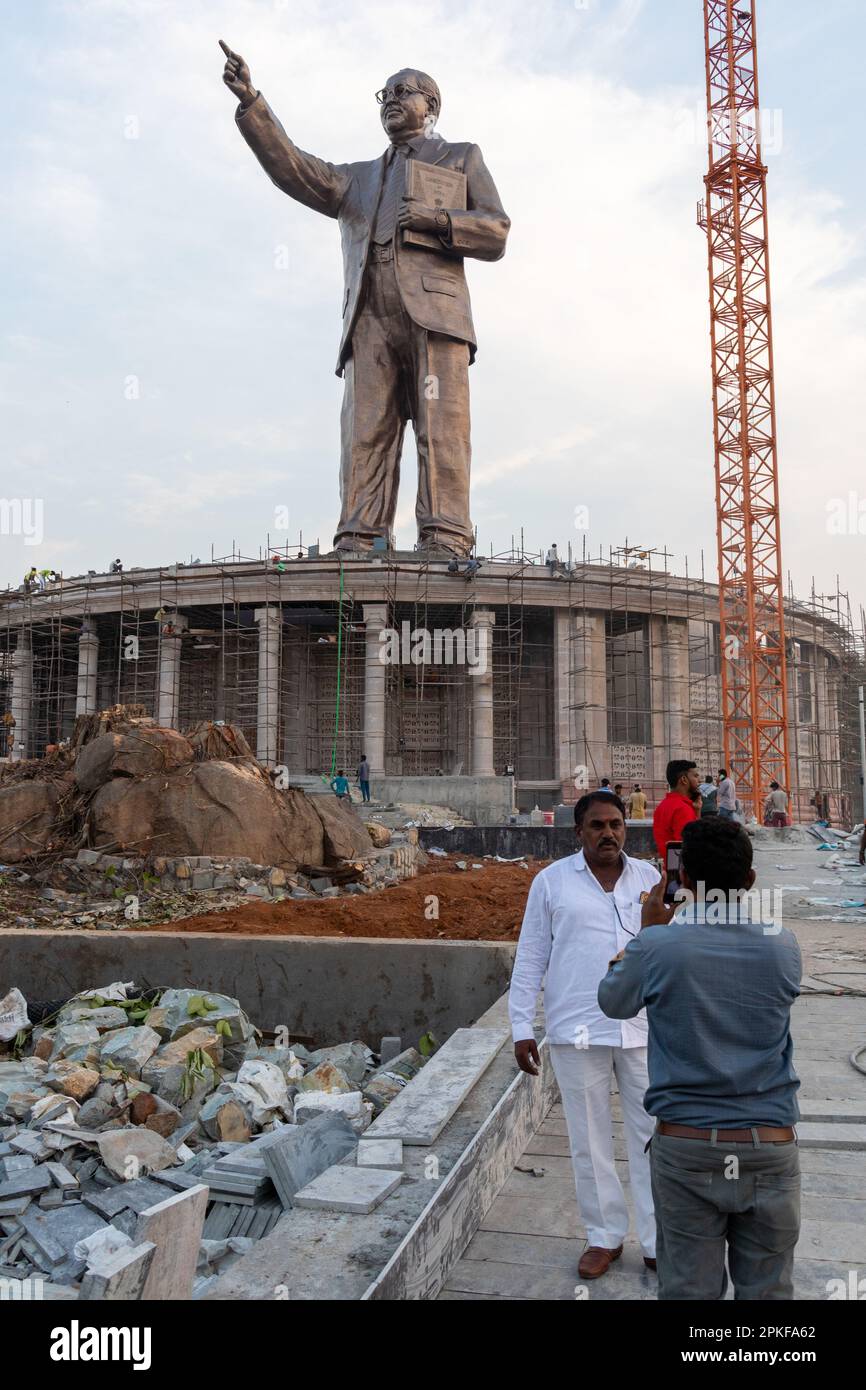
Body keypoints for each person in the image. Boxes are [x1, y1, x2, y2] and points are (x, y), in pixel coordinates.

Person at [221, 46, 510, 558]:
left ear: (432, 105)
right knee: (365, 431)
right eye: (385, 94)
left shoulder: (461, 156)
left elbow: (496, 232)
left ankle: (445, 536)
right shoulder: (356, 177)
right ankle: (360, 535)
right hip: (369, 313)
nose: (391, 102)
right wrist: (253, 103)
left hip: (435, 315)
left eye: (404, 92)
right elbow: (294, 169)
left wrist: (438, 222)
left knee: (440, 429)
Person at [599, 817, 801, 1300]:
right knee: (769, 1293)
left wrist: (644, 935)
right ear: (750, 879)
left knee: (689, 1290)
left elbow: (613, 1003)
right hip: (768, 1146)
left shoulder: (656, 947)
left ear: (682, 879)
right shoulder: (784, 946)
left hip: (687, 1146)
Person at [509, 791, 661, 1280]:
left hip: (643, 1029)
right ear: (578, 832)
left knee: (653, 1137)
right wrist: (520, 1026)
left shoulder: (652, 880)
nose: (608, 834)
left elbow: (675, 949)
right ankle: (603, 1236)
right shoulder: (551, 883)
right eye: (597, 826)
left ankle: (661, 1240)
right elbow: (531, 955)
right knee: (588, 1138)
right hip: (576, 1028)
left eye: (616, 824)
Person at [652, 759, 700, 857]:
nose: (699, 780)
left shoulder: (662, 806)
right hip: (681, 869)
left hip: (669, 868)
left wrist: (697, 811)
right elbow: (690, 848)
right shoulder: (683, 809)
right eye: (695, 776)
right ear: (684, 779)